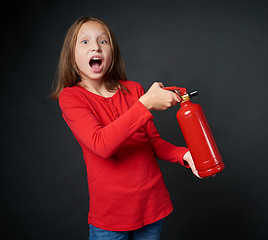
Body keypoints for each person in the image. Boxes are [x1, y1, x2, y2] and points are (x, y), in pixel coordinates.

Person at [50, 16, 200, 240]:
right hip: (111, 218)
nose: (95, 47)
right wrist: (146, 104)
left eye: (103, 41)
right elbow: (102, 144)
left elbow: (153, 143)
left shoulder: (134, 89)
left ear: (112, 53)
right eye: (85, 42)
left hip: (151, 207)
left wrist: (185, 155)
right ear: (71, 57)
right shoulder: (71, 98)